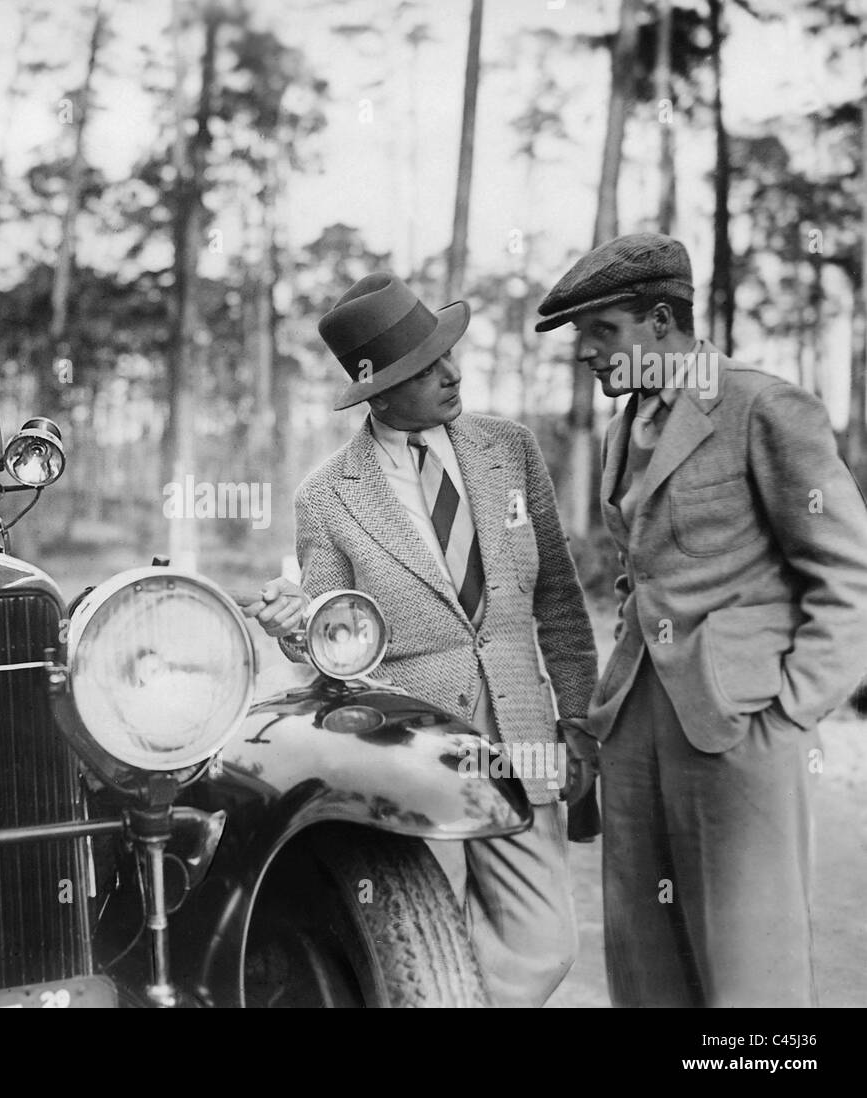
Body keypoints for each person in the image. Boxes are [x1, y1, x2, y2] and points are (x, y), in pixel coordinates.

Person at [243, 271, 598, 1008]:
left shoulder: (511, 451)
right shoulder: (329, 494)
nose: (452, 373)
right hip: (407, 757)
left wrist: (578, 722)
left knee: (546, 945)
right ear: (376, 390)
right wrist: (295, 623)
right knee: (419, 929)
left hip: (522, 741)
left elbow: (560, 602)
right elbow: (334, 630)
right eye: (425, 367)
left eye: (448, 354)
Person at [535, 231, 867, 1007]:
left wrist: (790, 707)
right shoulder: (625, 430)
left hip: (738, 723)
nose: (587, 353)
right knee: (649, 969)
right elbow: (640, 580)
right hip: (638, 725)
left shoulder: (762, 407)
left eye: (601, 331)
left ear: (660, 321)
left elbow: (849, 571)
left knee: (752, 973)